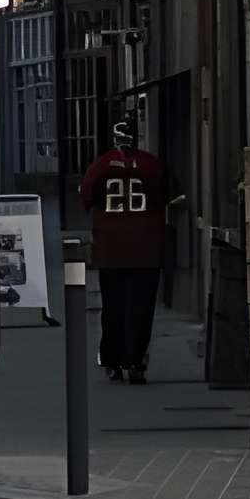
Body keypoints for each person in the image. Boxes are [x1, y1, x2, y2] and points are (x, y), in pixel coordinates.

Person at [75, 120, 177, 383]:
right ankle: (136, 360)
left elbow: (86, 197)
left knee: (113, 306)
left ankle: (113, 360)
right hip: (146, 247)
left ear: (115, 138)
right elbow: (170, 196)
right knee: (142, 307)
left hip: (111, 248)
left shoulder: (101, 165)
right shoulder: (152, 165)